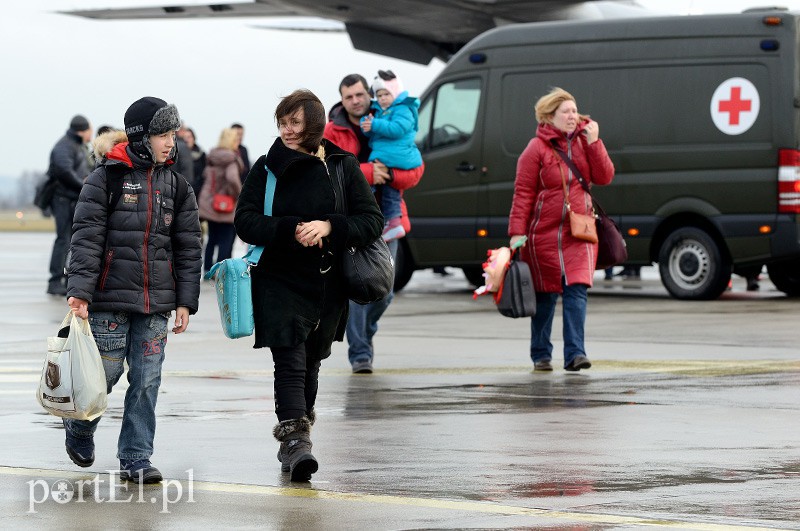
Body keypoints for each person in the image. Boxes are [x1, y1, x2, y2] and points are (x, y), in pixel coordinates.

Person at [234, 89, 382, 481]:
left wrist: (331, 226)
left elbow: (372, 221)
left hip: (326, 281)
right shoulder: (266, 167)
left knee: (312, 364)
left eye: (294, 122)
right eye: (282, 122)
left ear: (313, 125)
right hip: (278, 279)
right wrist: (290, 229)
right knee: (289, 361)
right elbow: (244, 220)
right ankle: (296, 443)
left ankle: (298, 435)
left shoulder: (341, 165)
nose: (286, 130)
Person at [62, 97, 202, 484]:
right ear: (142, 136)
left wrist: (186, 301)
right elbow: (87, 239)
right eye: (162, 134)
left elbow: (189, 246)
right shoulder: (104, 179)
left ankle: (136, 457)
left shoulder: (177, 185)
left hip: (156, 303)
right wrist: (81, 292)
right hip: (109, 299)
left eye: (173, 133)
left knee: (146, 380)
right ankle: (80, 428)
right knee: (103, 377)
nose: (170, 142)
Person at [508, 87, 615, 372]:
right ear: (549, 117)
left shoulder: (585, 141)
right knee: (545, 296)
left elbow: (605, 176)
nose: (573, 115)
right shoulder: (536, 149)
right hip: (543, 234)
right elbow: (523, 193)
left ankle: (575, 354)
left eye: (574, 110)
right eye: (565, 111)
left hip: (579, 231)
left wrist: (595, 143)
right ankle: (541, 354)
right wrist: (517, 233)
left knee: (577, 290)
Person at [324, 73, 424, 374]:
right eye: (348, 96)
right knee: (359, 285)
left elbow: (416, 169)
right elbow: (329, 173)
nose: (355, 101)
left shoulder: (388, 117)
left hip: (387, 219)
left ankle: (365, 331)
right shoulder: (333, 130)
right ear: (342, 100)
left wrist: (391, 176)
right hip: (351, 219)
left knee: (385, 288)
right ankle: (360, 354)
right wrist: (370, 172)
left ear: (369, 95)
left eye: (359, 95)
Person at [360, 70, 423, 242]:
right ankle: (393, 222)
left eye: (386, 94)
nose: (382, 98)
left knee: (381, 191)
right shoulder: (382, 111)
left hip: (395, 156)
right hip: (387, 155)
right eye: (379, 95)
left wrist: (374, 124)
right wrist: (366, 125)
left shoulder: (403, 108)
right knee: (389, 192)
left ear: (395, 92)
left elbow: (397, 129)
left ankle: (391, 221)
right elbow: (374, 133)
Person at [45, 115, 93, 295]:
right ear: (82, 130)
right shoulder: (65, 145)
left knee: (71, 240)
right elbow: (63, 170)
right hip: (63, 199)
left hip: (72, 199)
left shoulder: (76, 145)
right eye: (90, 130)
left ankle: (66, 279)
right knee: (63, 239)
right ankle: (55, 280)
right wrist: (84, 185)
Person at [199, 128, 243, 274]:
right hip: (227, 205)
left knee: (212, 238)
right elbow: (232, 178)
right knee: (225, 239)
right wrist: (238, 194)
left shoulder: (213, 157)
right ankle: (221, 271)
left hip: (211, 203)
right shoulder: (231, 159)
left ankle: (207, 269)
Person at [179, 127, 206, 197]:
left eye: (189, 137)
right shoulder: (178, 156)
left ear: (194, 139)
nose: (186, 140)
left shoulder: (201, 155)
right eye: (184, 137)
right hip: (184, 189)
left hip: (199, 191)